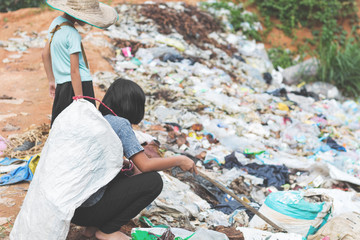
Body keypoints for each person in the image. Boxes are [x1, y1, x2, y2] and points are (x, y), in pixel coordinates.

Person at [71, 78, 198, 240]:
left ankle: (90, 229)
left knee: (126, 172)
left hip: (74, 208)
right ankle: (107, 231)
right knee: (153, 181)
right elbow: (144, 165)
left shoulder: (97, 119)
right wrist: (179, 159)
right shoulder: (120, 124)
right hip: (88, 209)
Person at [42, 0, 118, 126]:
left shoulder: (56, 23)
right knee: (84, 125)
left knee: (60, 126)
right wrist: (79, 100)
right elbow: (74, 70)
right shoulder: (73, 34)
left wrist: (51, 80)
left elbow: (44, 54)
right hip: (80, 85)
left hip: (62, 86)